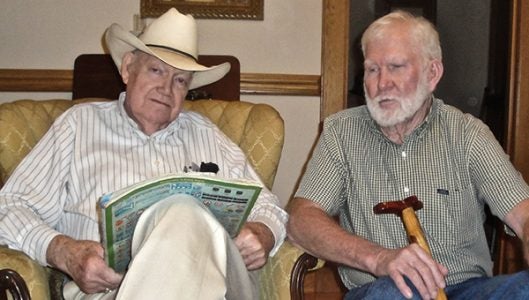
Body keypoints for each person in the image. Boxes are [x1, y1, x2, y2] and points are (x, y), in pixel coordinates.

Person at [0, 8, 287, 300]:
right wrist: (65, 252)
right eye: (156, 70)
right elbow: (9, 206)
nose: (166, 89)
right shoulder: (78, 126)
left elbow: (269, 207)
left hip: (217, 286)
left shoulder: (207, 134)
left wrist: (263, 233)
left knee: (184, 212)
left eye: (180, 81)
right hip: (109, 290)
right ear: (127, 68)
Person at [287, 10, 529, 300]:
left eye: (396, 67)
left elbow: (523, 212)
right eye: (372, 69)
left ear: (433, 73)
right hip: (384, 290)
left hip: (467, 291)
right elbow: (301, 219)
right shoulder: (341, 133)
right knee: (392, 293)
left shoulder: (467, 134)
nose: (382, 83)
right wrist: (378, 259)